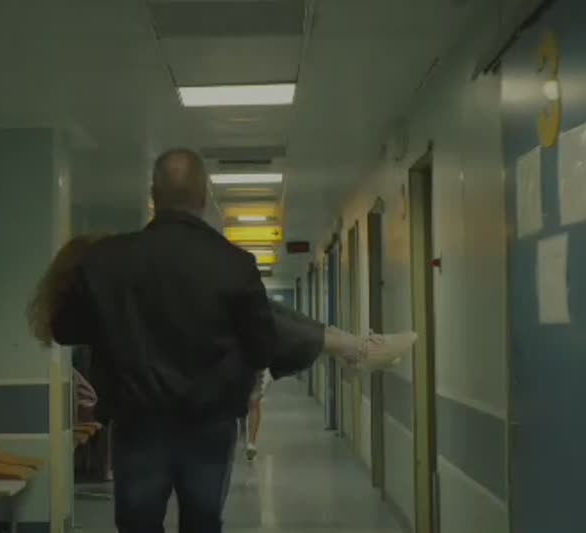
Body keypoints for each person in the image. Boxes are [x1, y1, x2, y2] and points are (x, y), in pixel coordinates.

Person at [43, 149, 416, 533]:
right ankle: (350, 347)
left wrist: (122, 322)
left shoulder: (109, 260)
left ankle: (349, 346)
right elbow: (261, 347)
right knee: (203, 524)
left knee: (137, 526)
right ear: (204, 197)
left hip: (138, 426)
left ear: (154, 196)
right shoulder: (233, 263)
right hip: (208, 424)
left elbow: (64, 329)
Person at [30, 235, 416, 464]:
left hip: (172, 401)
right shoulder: (96, 311)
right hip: (157, 409)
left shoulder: (110, 305)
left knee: (257, 307)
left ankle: (354, 347)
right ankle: (355, 349)